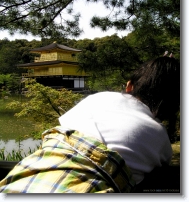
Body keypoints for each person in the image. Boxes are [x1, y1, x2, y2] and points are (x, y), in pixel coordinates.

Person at [0, 56, 180, 193]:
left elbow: (64, 125)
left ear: (129, 86)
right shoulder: (159, 135)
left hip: (24, 181)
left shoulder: (98, 98)